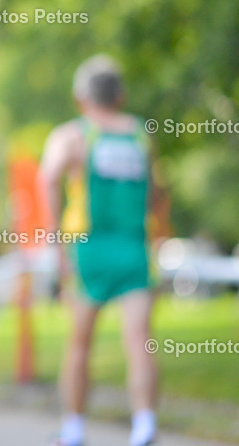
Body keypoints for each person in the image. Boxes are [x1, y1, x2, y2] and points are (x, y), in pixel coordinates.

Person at [39, 55, 166, 446]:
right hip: (133, 247)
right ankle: (144, 425)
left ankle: (74, 430)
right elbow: (158, 192)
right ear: (121, 95)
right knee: (139, 340)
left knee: (79, 344)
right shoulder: (140, 135)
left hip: (87, 250)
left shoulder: (73, 135)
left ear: (81, 97)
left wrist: (55, 242)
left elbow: (48, 177)